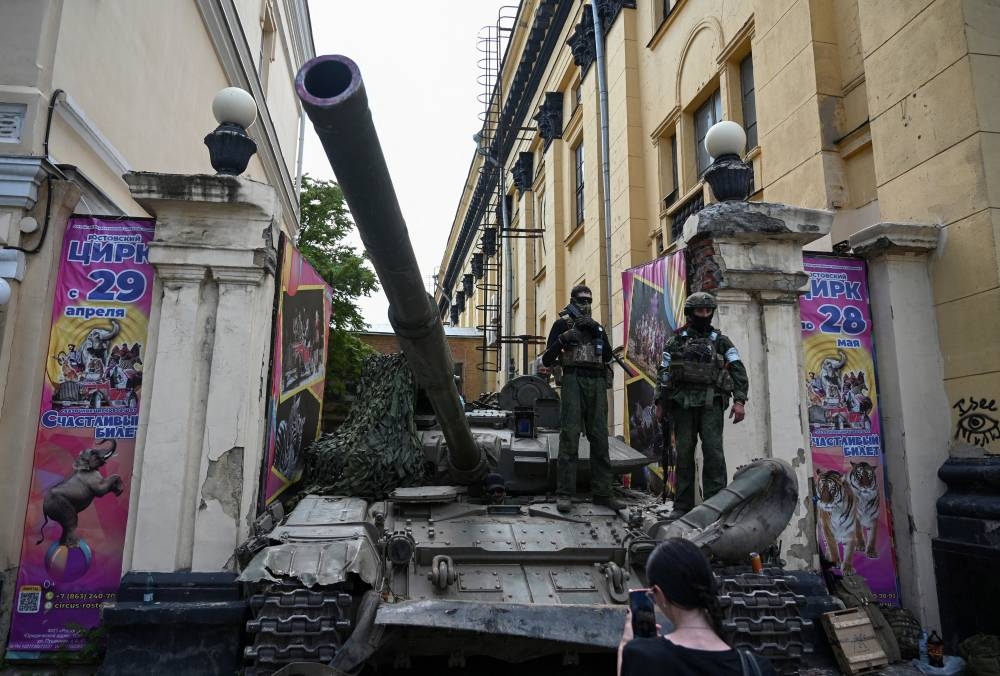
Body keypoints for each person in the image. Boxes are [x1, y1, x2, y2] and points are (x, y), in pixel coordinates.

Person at [618, 538, 775, 676]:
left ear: (659, 594)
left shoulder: (642, 656)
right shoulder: (758, 667)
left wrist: (626, 645)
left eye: (652, 595)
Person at [655, 292, 748, 520]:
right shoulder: (675, 340)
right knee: (684, 454)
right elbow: (664, 372)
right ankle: (682, 506)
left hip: (711, 402)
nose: (704, 315)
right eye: (700, 311)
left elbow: (737, 368)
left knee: (714, 453)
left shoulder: (721, 341)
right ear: (690, 313)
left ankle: (716, 506)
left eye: (708, 311)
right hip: (683, 404)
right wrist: (660, 403)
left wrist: (739, 401)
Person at [541, 285, 621, 513]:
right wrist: (563, 339)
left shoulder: (596, 326)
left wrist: (596, 331)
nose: (585, 305)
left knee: (599, 438)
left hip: (596, 381)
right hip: (573, 379)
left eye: (589, 300)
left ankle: (603, 493)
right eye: (581, 300)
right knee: (570, 437)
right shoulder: (562, 324)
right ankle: (565, 493)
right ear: (573, 301)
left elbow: (606, 356)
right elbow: (547, 360)